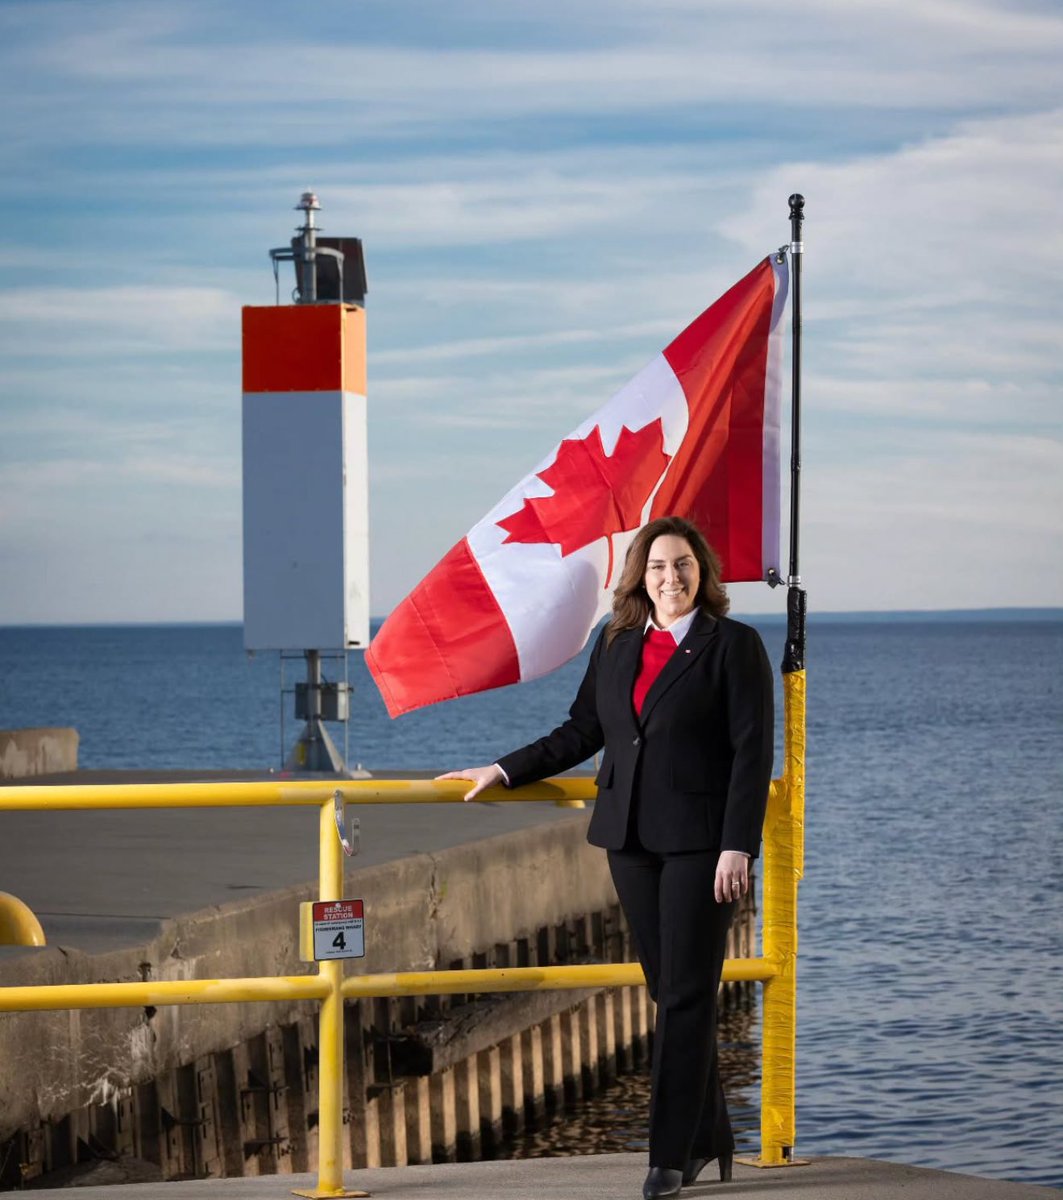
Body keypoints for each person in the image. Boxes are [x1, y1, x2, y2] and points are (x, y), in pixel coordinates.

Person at [438, 515, 774, 1199]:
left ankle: (667, 1158)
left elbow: (751, 752)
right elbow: (582, 730)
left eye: (682, 565)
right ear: (638, 577)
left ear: (701, 573)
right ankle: (712, 1137)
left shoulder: (732, 646)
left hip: (701, 845)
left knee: (684, 996)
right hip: (628, 841)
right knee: (669, 992)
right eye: (656, 566)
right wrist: (503, 769)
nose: (669, 578)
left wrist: (737, 843)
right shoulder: (617, 642)